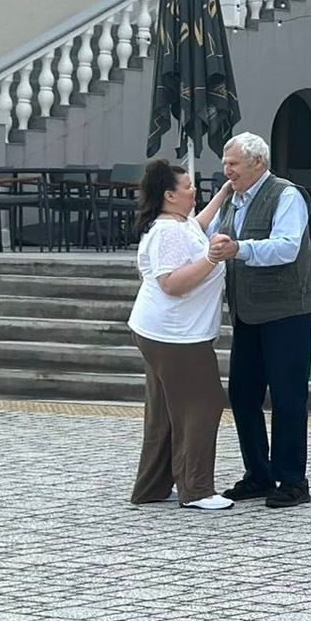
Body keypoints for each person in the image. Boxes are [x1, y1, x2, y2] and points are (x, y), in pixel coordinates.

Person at [209, 133, 311, 510]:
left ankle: (292, 480)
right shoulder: (232, 200)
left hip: (288, 312)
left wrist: (239, 249)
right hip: (247, 312)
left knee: (288, 396)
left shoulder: (286, 195)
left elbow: (287, 247)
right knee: (242, 393)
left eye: (233, 164)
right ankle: (258, 473)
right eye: (225, 163)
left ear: (258, 163)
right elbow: (207, 235)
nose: (227, 170)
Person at [127, 160, 234, 511]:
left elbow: (198, 226)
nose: (193, 190)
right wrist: (212, 258)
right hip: (174, 335)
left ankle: (152, 486)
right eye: (187, 186)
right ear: (169, 196)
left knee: (165, 410)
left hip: (165, 331)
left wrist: (224, 192)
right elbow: (172, 283)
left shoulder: (180, 223)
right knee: (203, 404)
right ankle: (196, 488)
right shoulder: (167, 232)